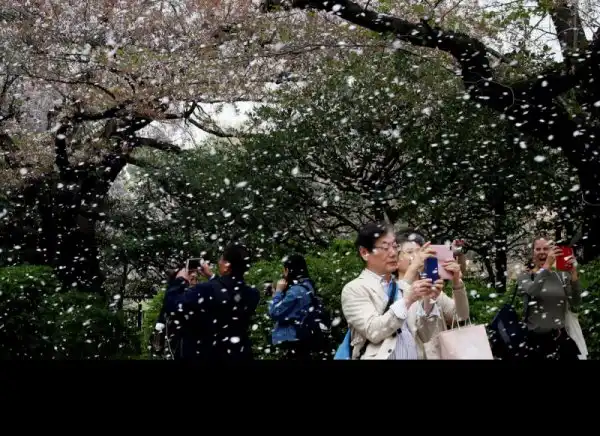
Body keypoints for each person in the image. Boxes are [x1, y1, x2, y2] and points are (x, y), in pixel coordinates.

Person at [340, 222, 440, 360]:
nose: (393, 253)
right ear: (364, 253)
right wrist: (407, 301)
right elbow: (374, 331)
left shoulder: (403, 287)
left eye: (394, 246)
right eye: (385, 247)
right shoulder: (354, 289)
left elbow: (426, 336)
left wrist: (428, 300)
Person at [161, 243, 260, 361]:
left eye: (221, 259)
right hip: (239, 354)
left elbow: (172, 305)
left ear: (227, 266)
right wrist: (212, 277)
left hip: (207, 354)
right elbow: (228, 293)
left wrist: (179, 281)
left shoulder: (205, 290)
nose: (219, 262)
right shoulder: (252, 294)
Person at [396, 232, 469, 359]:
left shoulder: (432, 288)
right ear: (395, 259)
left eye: (420, 252)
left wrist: (457, 281)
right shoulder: (390, 291)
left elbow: (460, 316)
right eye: (410, 252)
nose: (418, 257)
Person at [517, 237, 582, 360]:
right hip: (536, 342)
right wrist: (546, 266)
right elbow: (533, 291)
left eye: (546, 249)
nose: (542, 252)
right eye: (538, 249)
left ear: (552, 251)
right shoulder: (525, 276)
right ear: (533, 253)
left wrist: (574, 275)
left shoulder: (560, 276)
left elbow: (576, 302)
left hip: (560, 339)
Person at [268, 254, 321, 359]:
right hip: (304, 338)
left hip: (291, 340)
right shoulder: (308, 286)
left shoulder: (295, 291)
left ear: (288, 270)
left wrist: (278, 292)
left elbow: (274, 312)